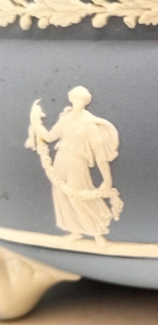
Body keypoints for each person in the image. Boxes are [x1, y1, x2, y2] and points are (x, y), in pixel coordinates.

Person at [28, 86, 119, 246]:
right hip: (61, 159)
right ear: (71, 99)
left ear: (86, 102)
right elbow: (49, 137)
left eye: (81, 99)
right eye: (75, 98)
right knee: (62, 196)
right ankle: (76, 231)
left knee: (78, 197)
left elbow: (100, 155)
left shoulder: (89, 124)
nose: (78, 101)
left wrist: (107, 180)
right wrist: (36, 124)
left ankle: (97, 233)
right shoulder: (65, 119)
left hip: (78, 162)